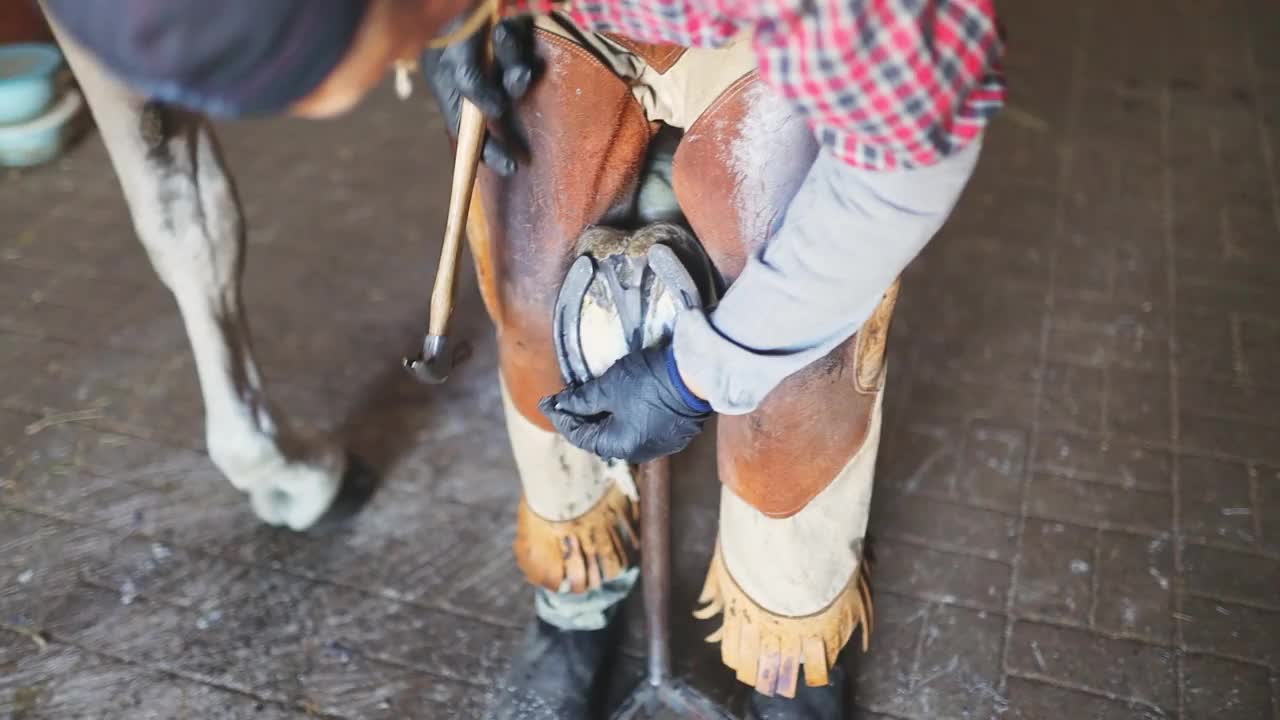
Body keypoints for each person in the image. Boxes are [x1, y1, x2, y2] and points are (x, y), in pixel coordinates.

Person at [43, 1, 1004, 717]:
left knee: (793, 342)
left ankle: (794, 633)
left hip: (771, 35)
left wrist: (704, 369)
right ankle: (578, 589)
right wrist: (463, 20)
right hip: (575, 13)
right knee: (532, 282)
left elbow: (899, 169)